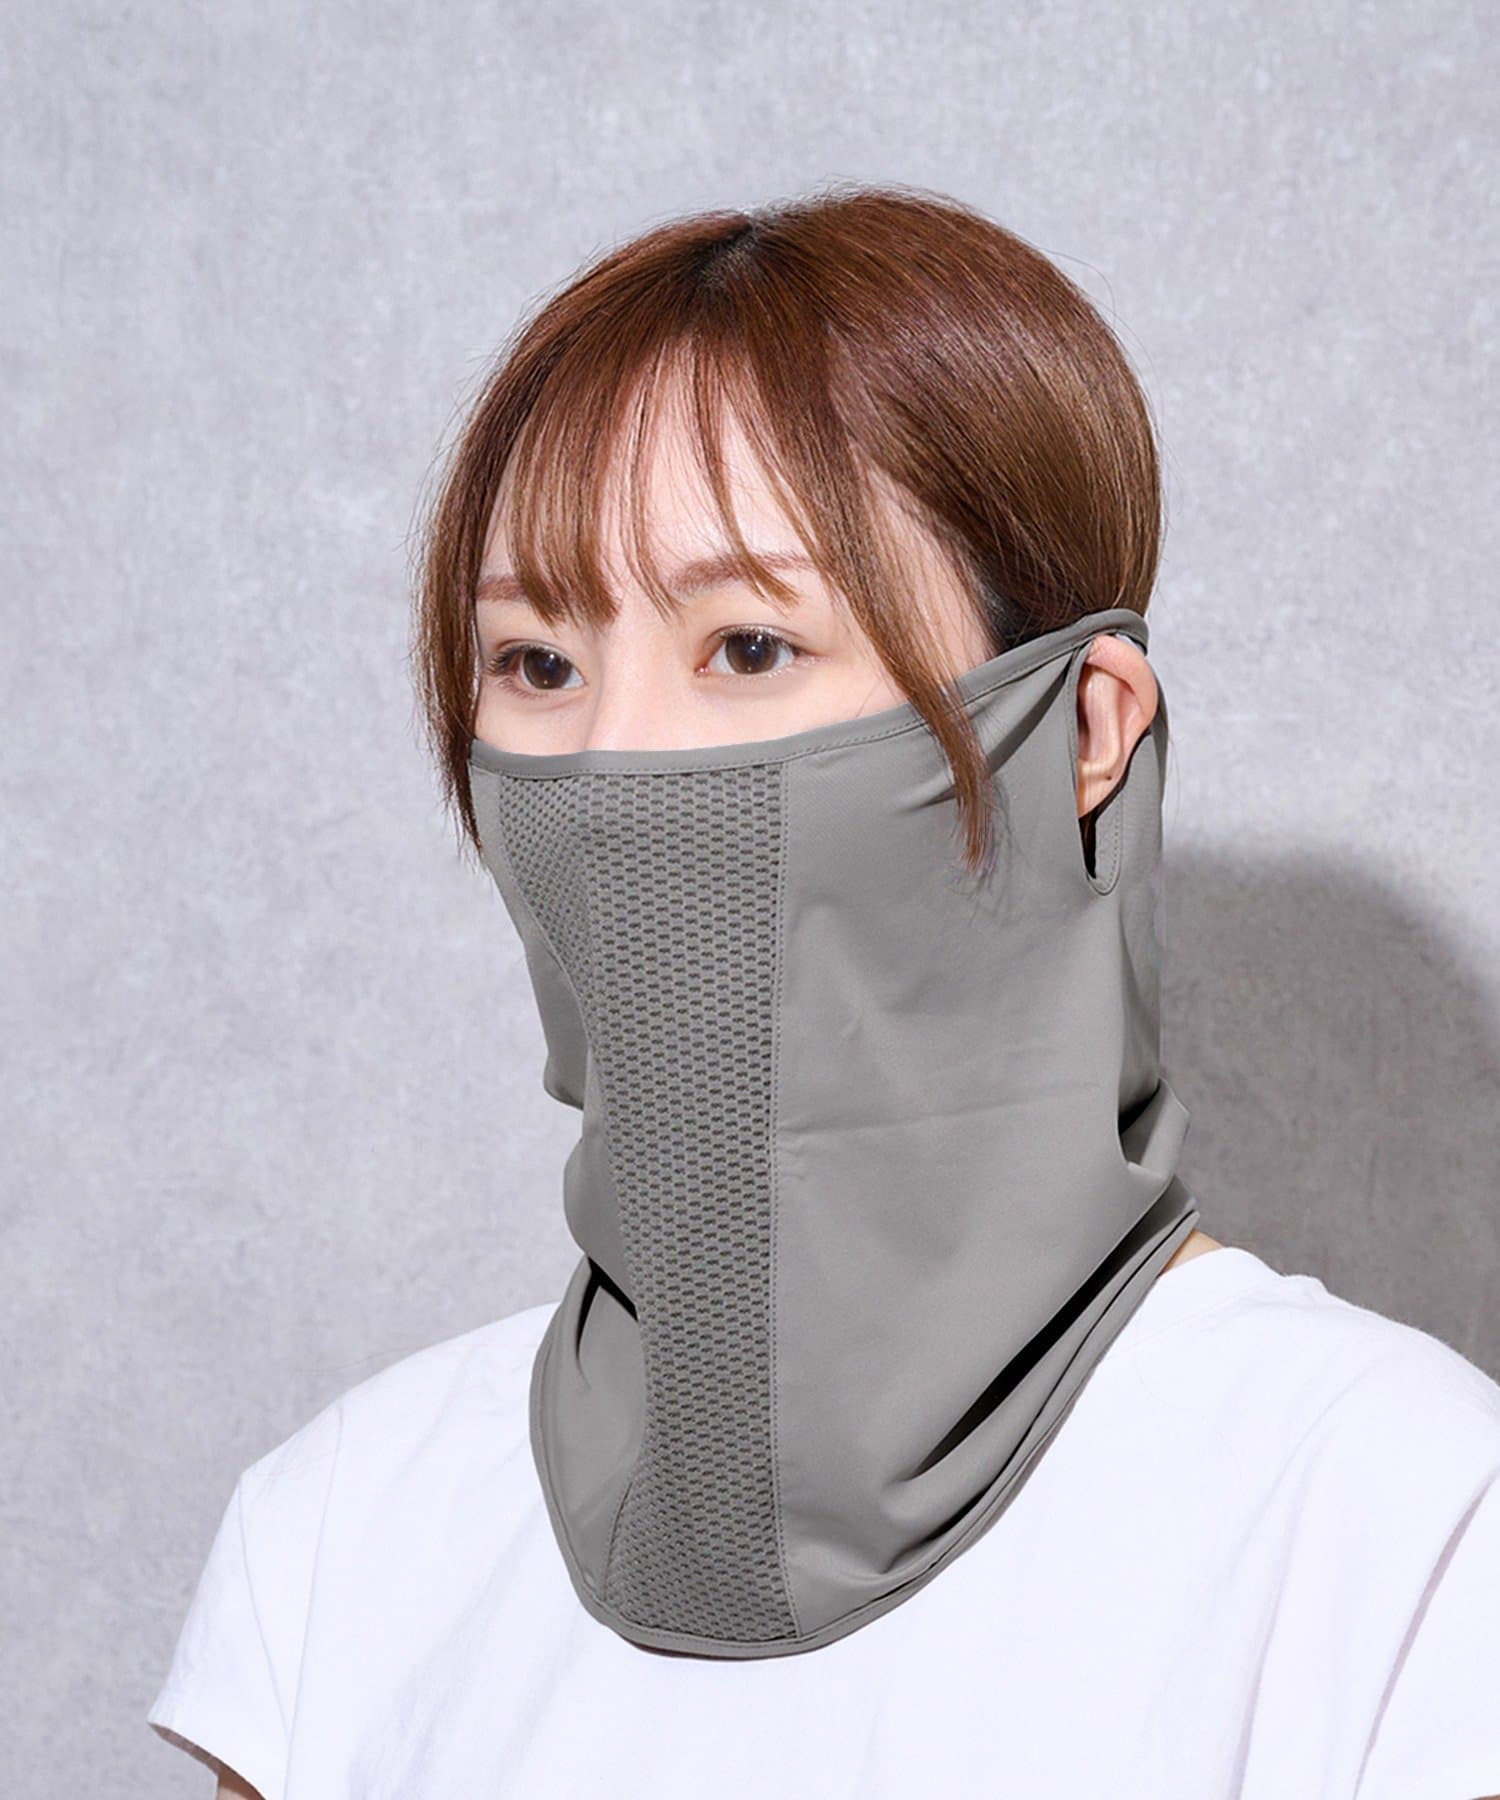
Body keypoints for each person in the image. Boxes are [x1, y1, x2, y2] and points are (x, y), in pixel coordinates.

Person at [147, 185, 1500, 1798]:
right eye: (537, 664)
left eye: (748, 647)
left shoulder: (1406, 1534)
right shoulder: (338, 1543)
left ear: (1082, 730)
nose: (615, 764)